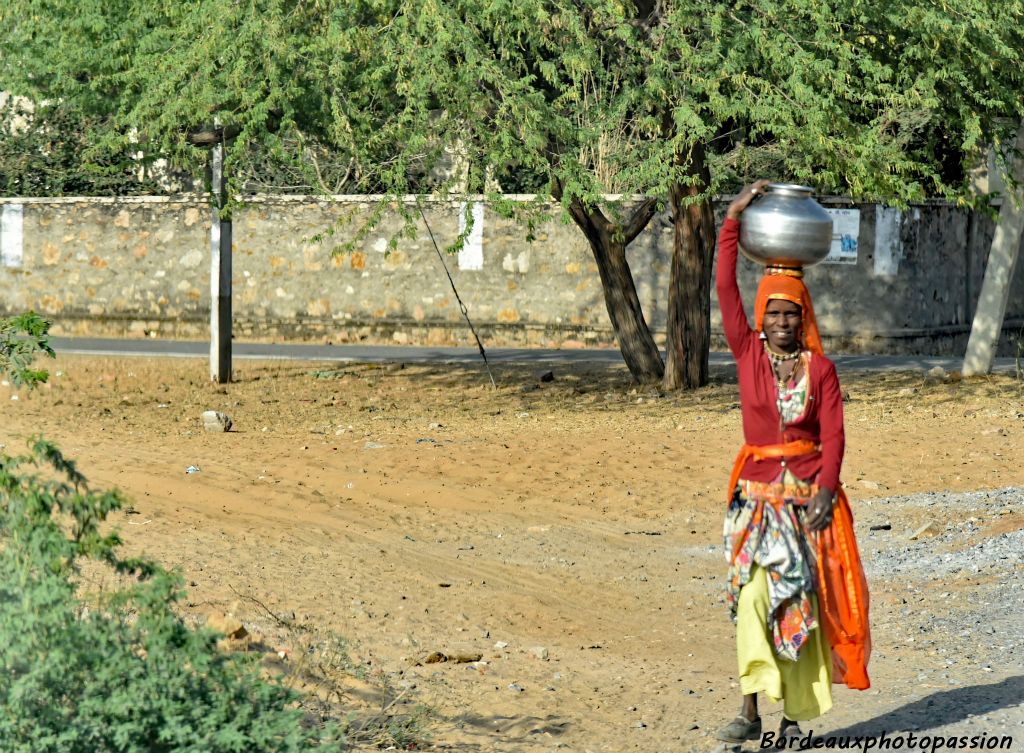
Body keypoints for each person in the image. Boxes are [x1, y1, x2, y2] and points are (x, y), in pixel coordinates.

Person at [714, 180, 871, 745]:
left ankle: (793, 718)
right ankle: (749, 709)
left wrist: (828, 492)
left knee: (799, 604)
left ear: (804, 317)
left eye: (791, 314)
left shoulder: (822, 372)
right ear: (762, 318)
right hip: (753, 503)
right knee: (751, 600)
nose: (782, 322)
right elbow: (726, 288)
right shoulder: (746, 354)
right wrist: (732, 221)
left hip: (805, 503)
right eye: (774, 313)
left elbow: (835, 435)